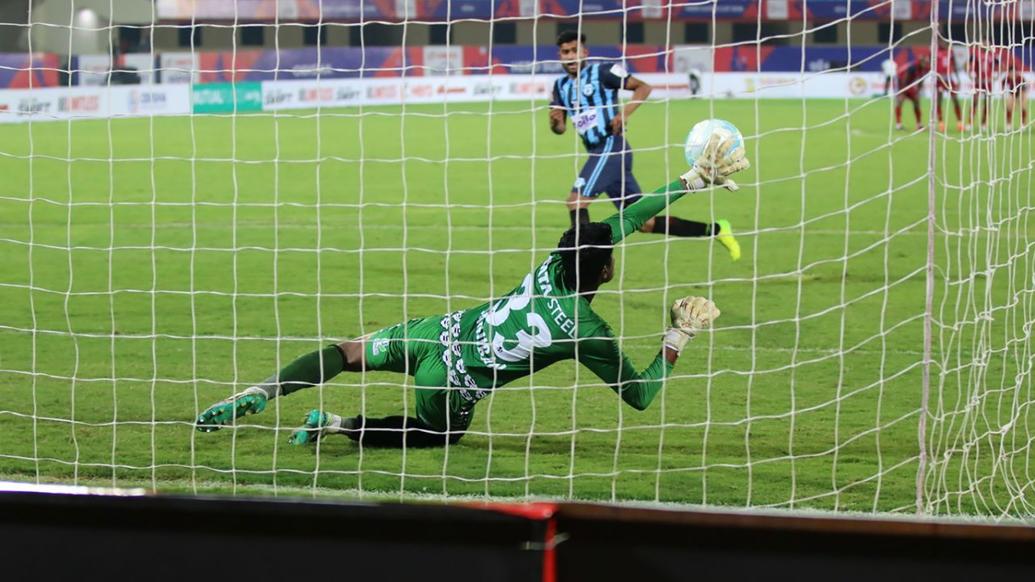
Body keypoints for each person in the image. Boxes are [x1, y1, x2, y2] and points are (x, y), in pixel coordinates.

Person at [195, 132, 750, 448]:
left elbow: (625, 222)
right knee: (438, 436)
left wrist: (688, 182)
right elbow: (639, 395)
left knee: (346, 352)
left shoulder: (554, 265)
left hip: (439, 330)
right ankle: (336, 424)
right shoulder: (588, 331)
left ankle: (261, 393)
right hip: (456, 378)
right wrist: (678, 334)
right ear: (606, 273)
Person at [549, 30, 742, 261]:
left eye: (574, 50)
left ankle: (579, 265)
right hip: (599, 154)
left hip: (612, 147)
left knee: (576, 200)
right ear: (559, 55)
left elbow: (643, 87)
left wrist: (624, 113)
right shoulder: (560, 86)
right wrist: (555, 123)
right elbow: (560, 129)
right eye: (565, 52)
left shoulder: (602, 72)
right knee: (646, 223)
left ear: (585, 52)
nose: (570, 56)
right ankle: (718, 230)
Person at [895, 54, 930, 131]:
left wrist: (917, 91)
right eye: (925, 62)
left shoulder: (923, 69)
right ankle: (898, 124)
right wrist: (903, 91)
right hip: (903, 84)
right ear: (921, 62)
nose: (926, 64)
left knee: (917, 102)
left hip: (910, 85)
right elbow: (904, 80)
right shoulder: (912, 68)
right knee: (900, 102)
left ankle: (919, 124)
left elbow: (921, 81)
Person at [934, 45, 965, 132]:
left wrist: (958, 78)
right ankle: (941, 123)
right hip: (940, 79)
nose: (942, 43)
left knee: (955, 99)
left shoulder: (950, 52)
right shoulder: (935, 51)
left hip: (949, 79)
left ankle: (960, 123)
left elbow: (954, 65)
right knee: (939, 101)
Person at [969, 42, 997, 131]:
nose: (985, 45)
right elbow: (967, 64)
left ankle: (984, 124)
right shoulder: (976, 54)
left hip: (988, 83)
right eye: (984, 43)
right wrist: (970, 76)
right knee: (975, 101)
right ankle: (970, 123)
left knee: (987, 103)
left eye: (987, 43)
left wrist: (996, 77)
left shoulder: (992, 55)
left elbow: (1000, 65)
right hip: (979, 82)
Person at [1003, 59, 1028, 128]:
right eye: (1011, 72)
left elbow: (1024, 89)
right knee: (1009, 107)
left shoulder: (1020, 78)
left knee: (1023, 106)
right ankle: (1009, 124)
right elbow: (1003, 86)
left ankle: (1023, 123)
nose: (1012, 74)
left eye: (1014, 72)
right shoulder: (1007, 78)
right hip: (1012, 93)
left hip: (1021, 93)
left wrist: (1021, 99)